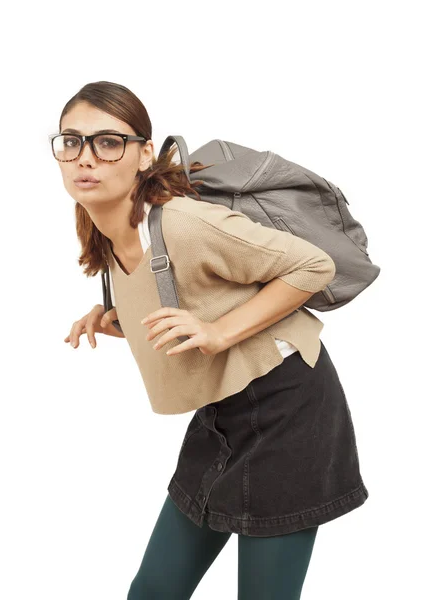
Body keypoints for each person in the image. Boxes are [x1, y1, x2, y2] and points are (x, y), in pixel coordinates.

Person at [54, 80, 369, 599]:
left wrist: (219, 332)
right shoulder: (102, 226)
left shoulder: (184, 221)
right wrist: (115, 317)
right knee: (154, 590)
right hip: (223, 411)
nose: (85, 157)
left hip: (289, 409)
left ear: (143, 154)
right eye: (71, 141)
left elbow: (313, 265)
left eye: (108, 142)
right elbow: (183, 292)